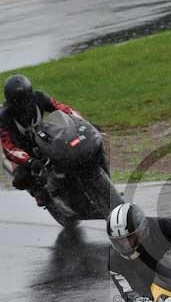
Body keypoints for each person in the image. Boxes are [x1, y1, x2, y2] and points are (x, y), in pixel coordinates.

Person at [0, 74, 108, 205]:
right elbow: (8, 148)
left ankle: (107, 181)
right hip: (22, 150)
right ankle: (40, 192)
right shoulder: (4, 116)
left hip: (44, 137)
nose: (24, 104)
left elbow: (64, 109)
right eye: (18, 101)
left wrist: (85, 124)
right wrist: (29, 161)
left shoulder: (39, 97)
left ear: (31, 94)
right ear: (11, 102)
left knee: (93, 142)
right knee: (21, 179)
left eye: (26, 98)